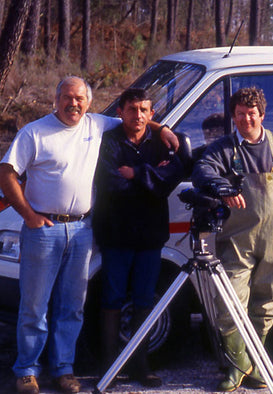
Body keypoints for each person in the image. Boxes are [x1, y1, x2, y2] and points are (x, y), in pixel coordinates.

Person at [0, 76, 178, 394]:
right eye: (67, 97)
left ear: (89, 103)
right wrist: (29, 215)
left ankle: (63, 370)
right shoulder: (35, 132)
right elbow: (6, 173)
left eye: (80, 98)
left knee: (72, 306)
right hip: (44, 231)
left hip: (81, 229)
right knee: (35, 306)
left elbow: (138, 117)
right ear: (56, 99)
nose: (74, 104)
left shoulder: (96, 124)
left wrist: (161, 129)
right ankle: (27, 370)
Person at [192, 87, 273, 391]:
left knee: (267, 303)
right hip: (237, 239)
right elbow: (202, 172)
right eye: (240, 114)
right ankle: (237, 366)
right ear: (233, 117)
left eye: (252, 113)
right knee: (229, 302)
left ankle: (257, 364)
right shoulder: (223, 149)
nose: (246, 119)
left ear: (262, 115)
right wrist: (223, 188)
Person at [92, 88, 191, 387]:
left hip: (150, 237)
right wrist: (151, 178)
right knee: (111, 299)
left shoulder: (160, 143)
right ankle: (109, 366)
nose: (138, 115)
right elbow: (109, 184)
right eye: (132, 109)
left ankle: (140, 364)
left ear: (151, 114)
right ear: (120, 111)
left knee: (145, 300)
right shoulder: (108, 142)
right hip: (115, 234)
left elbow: (171, 178)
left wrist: (136, 174)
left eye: (144, 110)